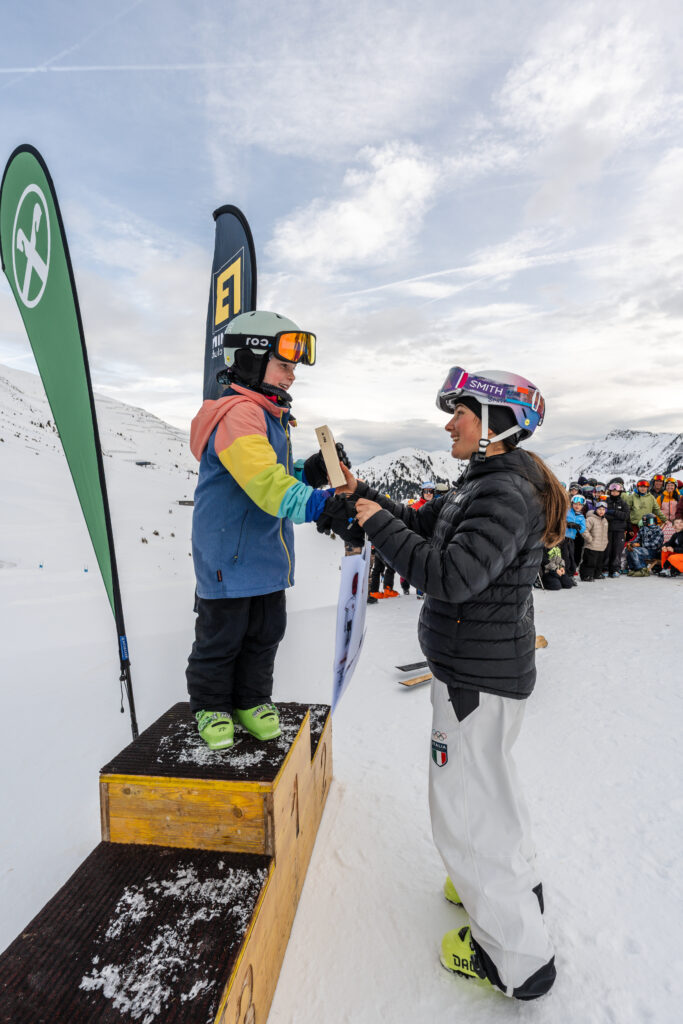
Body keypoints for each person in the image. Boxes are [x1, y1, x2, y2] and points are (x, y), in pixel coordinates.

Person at [340, 366, 566, 1000]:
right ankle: (509, 890)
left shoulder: (504, 494)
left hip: (476, 678)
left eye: (460, 413)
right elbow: (421, 525)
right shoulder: (486, 482)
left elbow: (450, 576)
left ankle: (515, 959)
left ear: (496, 423)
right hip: (480, 672)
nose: (449, 424)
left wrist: (377, 526)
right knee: (490, 792)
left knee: (464, 811)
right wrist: (363, 498)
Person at [185, 310, 356, 749]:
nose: (292, 375)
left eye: (294, 366)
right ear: (250, 359)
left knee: (265, 632)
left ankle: (251, 699)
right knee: (222, 637)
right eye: (284, 365)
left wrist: (310, 472)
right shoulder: (239, 414)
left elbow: (275, 471)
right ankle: (211, 704)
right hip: (229, 557)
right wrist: (319, 504)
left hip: (265, 556)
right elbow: (264, 483)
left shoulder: (269, 415)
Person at [604, 482, 630, 577]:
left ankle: (615, 569)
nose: (614, 493)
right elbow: (603, 514)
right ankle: (605, 568)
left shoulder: (623, 503)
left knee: (617, 550)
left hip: (619, 530)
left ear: (620, 492)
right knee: (607, 550)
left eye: (616, 491)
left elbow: (626, 516)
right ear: (610, 491)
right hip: (608, 529)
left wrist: (614, 512)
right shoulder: (606, 502)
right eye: (613, 491)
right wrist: (617, 516)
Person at [579, 501, 609, 581]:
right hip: (591, 546)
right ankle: (586, 575)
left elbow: (605, 533)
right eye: (599, 509)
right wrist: (589, 539)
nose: (601, 511)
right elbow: (584, 530)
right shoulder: (590, 519)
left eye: (603, 509)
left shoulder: (605, 520)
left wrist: (606, 542)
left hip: (601, 546)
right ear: (595, 509)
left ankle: (597, 574)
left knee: (599, 562)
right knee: (589, 562)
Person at [656, 477, 681, 544]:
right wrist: (659, 523)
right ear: (665, 487)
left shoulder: (680, 498)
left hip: (676, 525)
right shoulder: (660, 498)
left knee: (676, 542)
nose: (670, 487)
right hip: (664, 524)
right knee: (664, 542)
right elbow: (656, 511)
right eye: (668, 485)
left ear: (675, 486)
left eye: (672, 485)